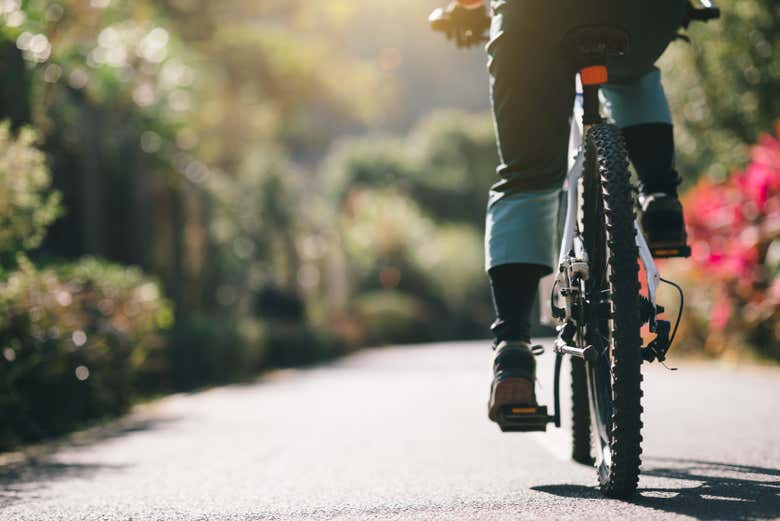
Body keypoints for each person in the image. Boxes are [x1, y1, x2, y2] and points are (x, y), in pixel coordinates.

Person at [436, 0, 690, 422]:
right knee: (631, 72)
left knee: (527, 177)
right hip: (643, 13)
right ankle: (661, 198)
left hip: (538, 16)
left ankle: (513, 358)